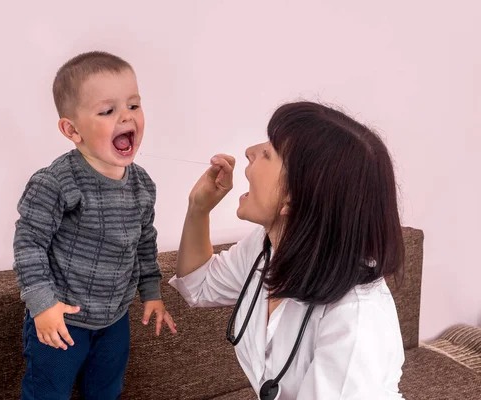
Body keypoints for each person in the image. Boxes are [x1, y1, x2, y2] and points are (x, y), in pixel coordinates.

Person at [170, 101, 405, 399]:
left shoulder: (355, 319)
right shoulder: (268, 246)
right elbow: (198, 286)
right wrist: (198, 209)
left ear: (294, 198)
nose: (249, 152)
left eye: (267, 154)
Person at [13, 51, 176, 400]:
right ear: (72, 129)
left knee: (106, 392)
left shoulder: (142, 185)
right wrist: (42, 304)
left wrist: (152, 293)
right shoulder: (57, 182)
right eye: (107, 111)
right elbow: (29, 244)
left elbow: (144, 243)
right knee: (47, 393)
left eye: (133, 105)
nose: (126, 118)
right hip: (62, 320)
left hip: (114, 320)